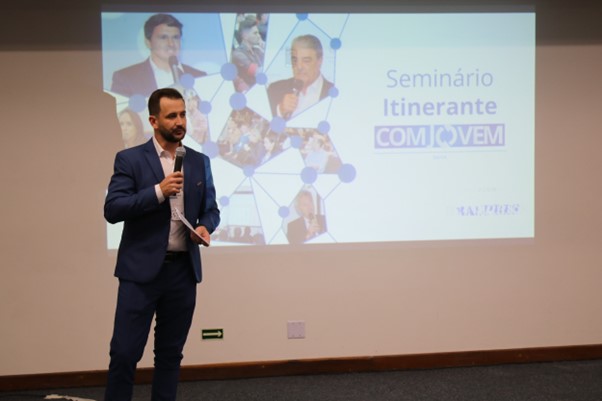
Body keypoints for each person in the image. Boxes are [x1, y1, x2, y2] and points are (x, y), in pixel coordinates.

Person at [104, 88, 220, 401]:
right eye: (172, 116)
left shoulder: (199, 161)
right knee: (125, 353)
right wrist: (158, 191)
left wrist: (205, 227)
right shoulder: (130, 159)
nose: (180, 121)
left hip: (182, 273)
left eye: (183, 114)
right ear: (154, 121)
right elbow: (113, 209)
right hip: (140, 274)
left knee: (170, 355)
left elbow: (211, 209)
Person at [111, 14, 207, 98]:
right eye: (163, 37)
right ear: (148, 42)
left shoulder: (199, 76)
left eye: (175, 37)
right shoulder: (125, 78)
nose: (171, 44)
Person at [267, 34, 334, 119]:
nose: (299, 66)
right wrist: (280, 110)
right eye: (294, 60)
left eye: (306, 61)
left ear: (319, 61)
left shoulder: (334, 93)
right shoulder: (275, 89)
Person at [231, 17, 265, 91]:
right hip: (251, 92)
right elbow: (258, 72)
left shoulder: (257, 49)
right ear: (245, 36)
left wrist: (265, 48)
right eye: (255, 33)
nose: (259, 36)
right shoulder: (238, 54)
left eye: (258, 33)